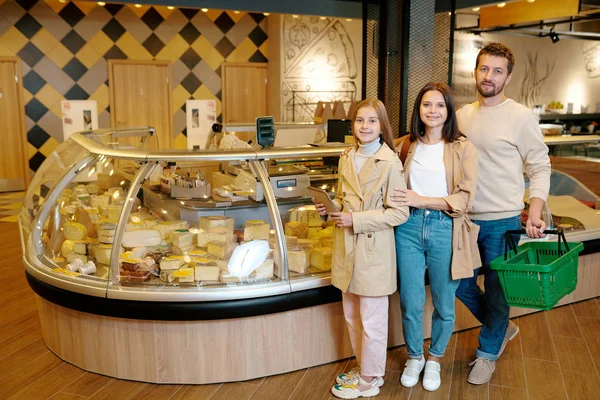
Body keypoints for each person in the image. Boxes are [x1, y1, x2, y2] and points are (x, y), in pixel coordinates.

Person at [455, 42, 551, 384]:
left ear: (507, 77)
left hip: (504, 221)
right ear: (475, 72)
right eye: (484, 69)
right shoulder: (462, 115)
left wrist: (535, 210)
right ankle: (500, 328)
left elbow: (540, 167)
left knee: (498, 291)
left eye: (497, 71)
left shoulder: (521, 116)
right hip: (465, 220)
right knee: (459, 285)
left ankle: (487, 352)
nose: (489, 76)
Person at [313, 98, 409, 399]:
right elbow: (344, 198)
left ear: (381, 126)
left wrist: (355, 219)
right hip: (347, 249)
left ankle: (371, 378)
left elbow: (399, 213)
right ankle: (363, 366)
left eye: (371, 121)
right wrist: (330, 208)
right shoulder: (346, 157)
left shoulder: (390, 162)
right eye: (359, 121)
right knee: (353, 316)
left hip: (373, 251)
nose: (364, 126)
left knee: (373, 320)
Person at [391, 82, 479, 391]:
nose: (433, 111)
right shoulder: (405, 145)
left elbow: (465, 199)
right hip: (408, 229)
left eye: (440, 105)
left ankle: (435, 359)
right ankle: (415, 356)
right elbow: (377, 157)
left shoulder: (463, 148)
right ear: (418, 110)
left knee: (445, 303)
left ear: (449, 110)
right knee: (411, 300)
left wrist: (422, 200)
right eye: (427, 105)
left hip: (446, 228)